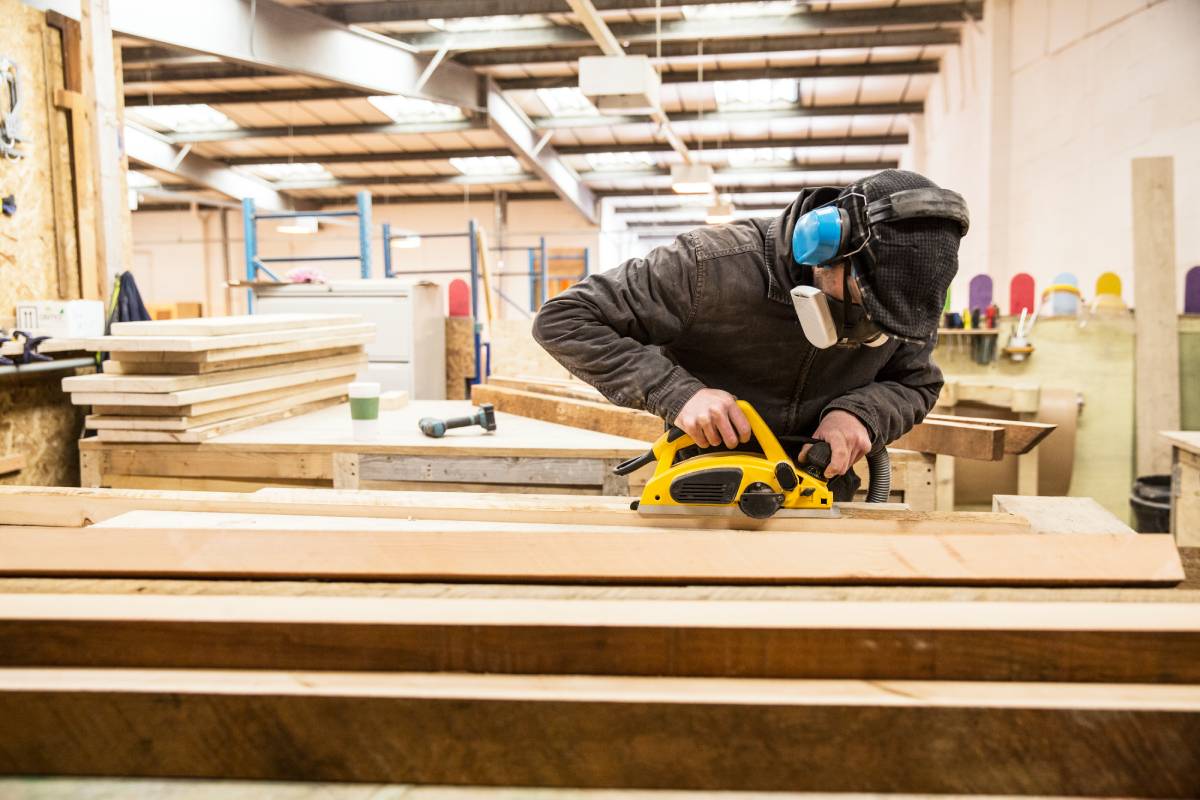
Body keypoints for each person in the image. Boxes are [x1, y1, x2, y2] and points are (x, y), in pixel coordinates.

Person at [532, 169, 968, 497]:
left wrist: (861, 415)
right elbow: (565, 318)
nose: (871, 331)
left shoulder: (906, 299)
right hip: (699, 489)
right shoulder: (706, 267)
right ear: (824, 248)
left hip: (821, 490)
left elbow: (915, 381)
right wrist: (676, 393)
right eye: (865, 306)